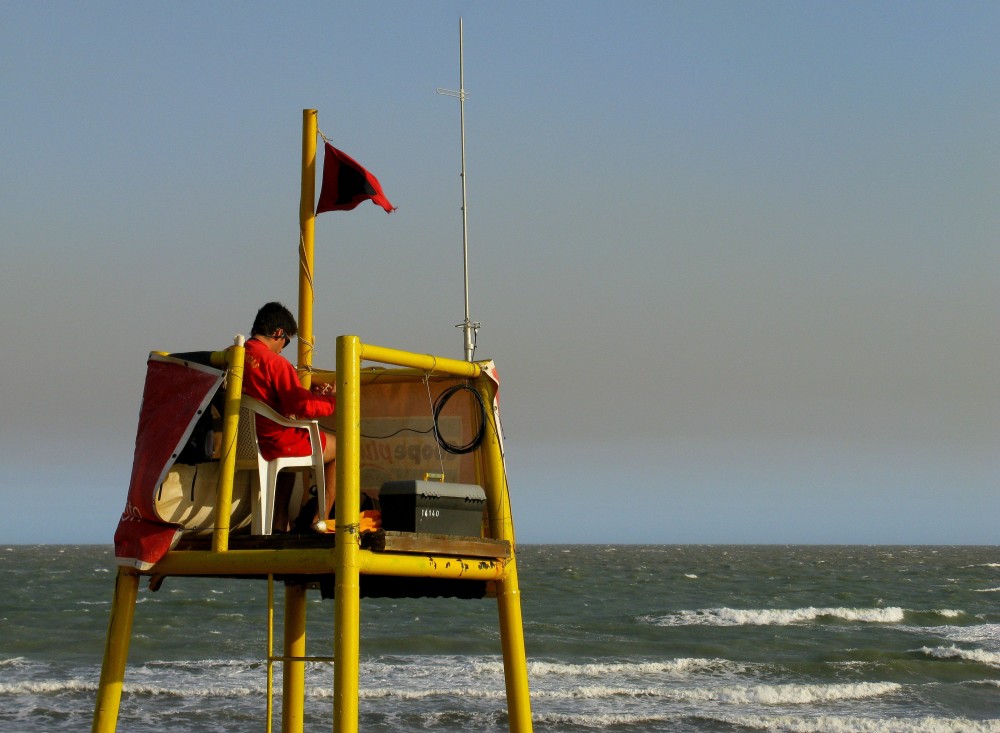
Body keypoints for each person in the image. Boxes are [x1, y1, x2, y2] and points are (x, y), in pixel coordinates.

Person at [241, 302, 336, 532]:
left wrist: (311, 395)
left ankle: (280, 522)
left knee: (288, 459)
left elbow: (280, 400)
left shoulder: (234, 355)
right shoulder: (276, 363)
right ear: (278, 333)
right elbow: (300, 406)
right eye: (287, 341)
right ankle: (319, 521)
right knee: (340, 448)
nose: (283, 348)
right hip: (274, 442)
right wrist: (331, 401)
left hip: (245, 443)